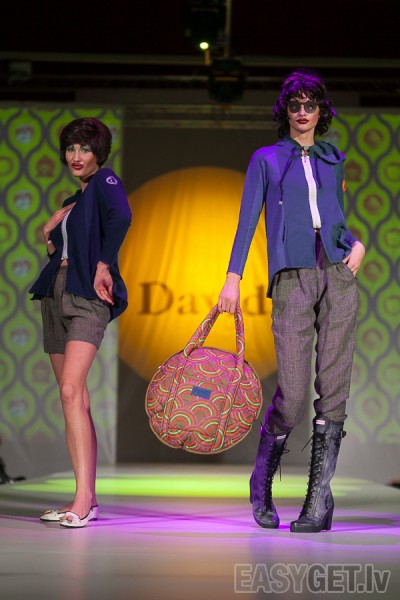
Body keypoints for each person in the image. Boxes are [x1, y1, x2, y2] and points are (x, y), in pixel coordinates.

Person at [218, 69, 365, 533]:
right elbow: (247, 221)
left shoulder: (333, 157)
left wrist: (357, 245)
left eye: (310, 104)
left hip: (337, 271)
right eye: (295, 104)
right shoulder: (266, 158)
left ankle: (318, 501)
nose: (302, 112)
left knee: (334, 387)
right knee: (294, 393)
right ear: (285, 111)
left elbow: (335, 217)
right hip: (292, 275)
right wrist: (232, 278)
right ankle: (261, 480)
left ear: (321, 112)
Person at [29, 117, 132, 528]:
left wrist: (104, 265)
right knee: (74, 398)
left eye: (85, 149)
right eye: (71, 148)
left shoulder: (105, 181)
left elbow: (122, 218)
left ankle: (83, 501)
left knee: (72, 390)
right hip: (56, 292)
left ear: (98, 153)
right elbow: (67, 249)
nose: (76, 156)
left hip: (88, 296)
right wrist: (48, 234)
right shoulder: (75, 198)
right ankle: (84, 496)